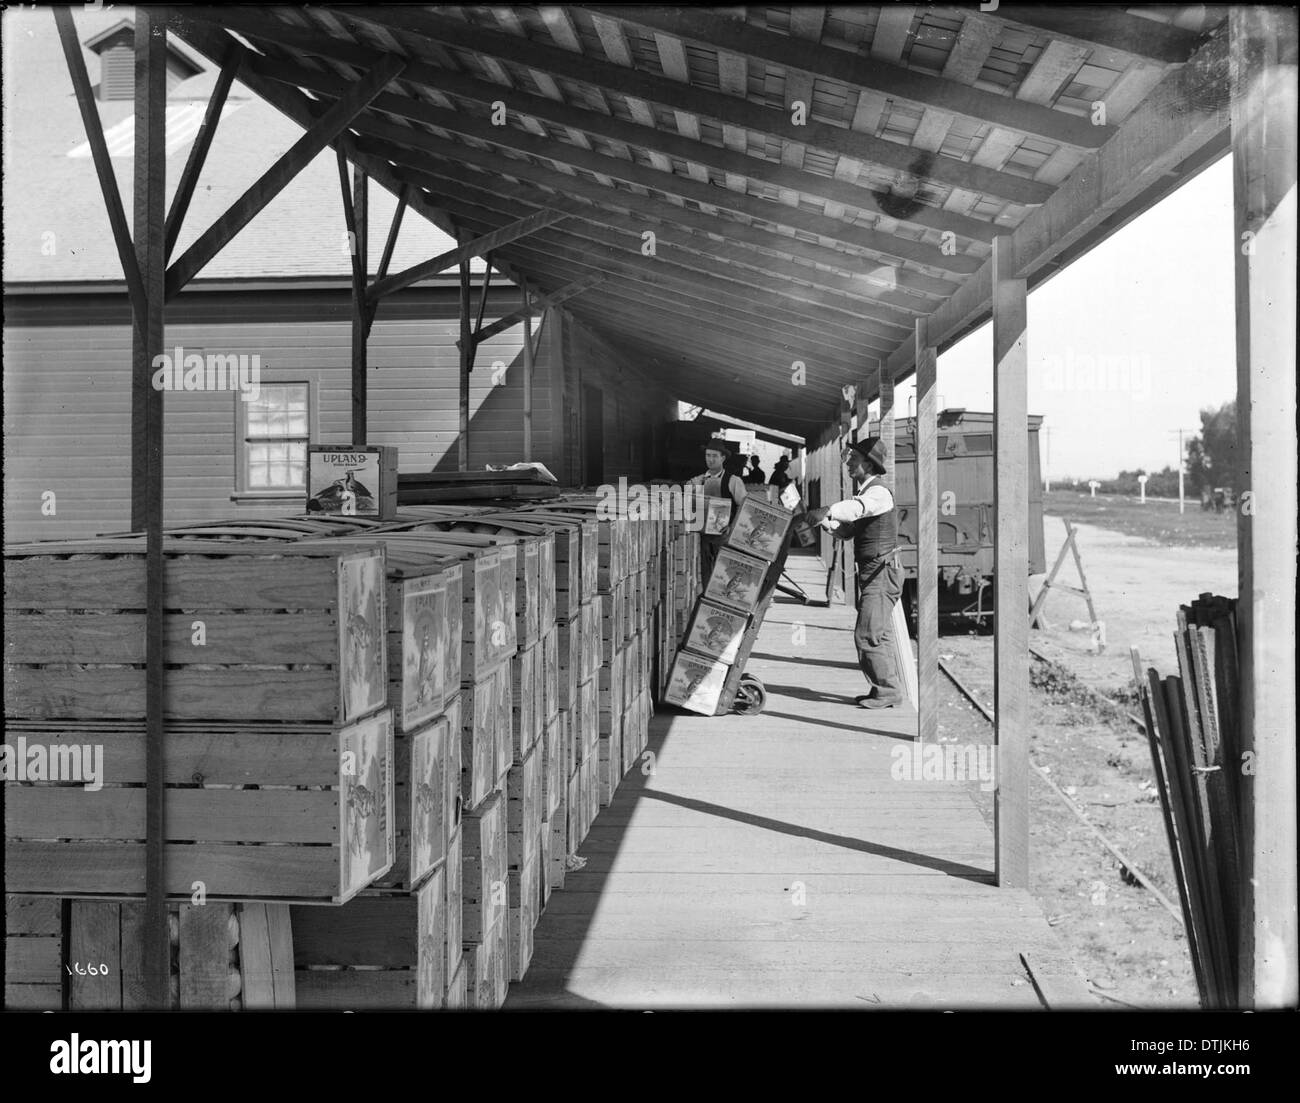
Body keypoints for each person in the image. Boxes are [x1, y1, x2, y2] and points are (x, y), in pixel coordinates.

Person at [804, 438, 904, 709]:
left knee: (866, 634)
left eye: (853, 459)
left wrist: (828, 510)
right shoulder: (867, 493)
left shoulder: (877, 494)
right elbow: (848, 531)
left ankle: (887, 691)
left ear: (868, 464)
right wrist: (825, 522)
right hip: (874, 571)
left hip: (881, 572)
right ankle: (886, 689)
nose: (848, 463)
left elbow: (857, 510)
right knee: (877, 634)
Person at [690, 437, 748, 580]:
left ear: (723, 458)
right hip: (703, 537)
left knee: (723, 576)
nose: (710, 459)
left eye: (714, 456)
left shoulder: (734, 481)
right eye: (708, 455)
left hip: (724, 537)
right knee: (705, 575)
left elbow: (745, 507)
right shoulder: (698, 480)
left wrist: (732, 526)